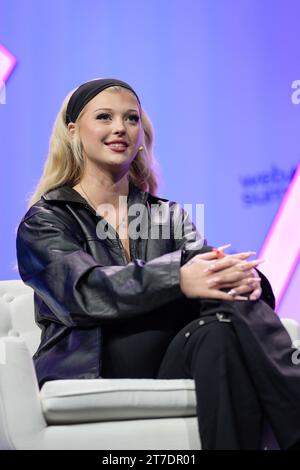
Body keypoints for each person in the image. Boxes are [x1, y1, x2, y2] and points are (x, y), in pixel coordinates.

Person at [16, 78, 300, 450]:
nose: (120, 128)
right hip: (98, 358)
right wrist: (179, 278)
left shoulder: (165, 215)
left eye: (131, 119)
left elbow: (205, 268)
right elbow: (83, 293)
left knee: (219, 331)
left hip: (168, 353)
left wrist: (245, 282)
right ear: (73, 131)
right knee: (218, 315)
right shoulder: (47, 220)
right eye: (104, 117)